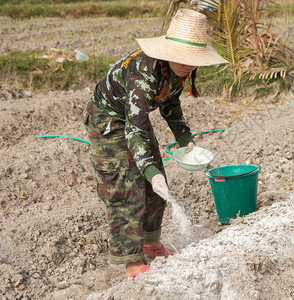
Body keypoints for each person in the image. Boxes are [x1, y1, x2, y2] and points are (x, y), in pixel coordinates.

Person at [82, 9, 228, 279]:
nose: (187, 65)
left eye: (192, 60)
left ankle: (150, 242)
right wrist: (148, 170)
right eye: (182, 59)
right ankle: (132, 262)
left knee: (156, 182)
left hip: (133, 116)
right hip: (108, 119)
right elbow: (134, 129)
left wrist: (185, 140)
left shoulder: (177, 71)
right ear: (169, 51)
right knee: (126, 186)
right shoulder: (143, 76)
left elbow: (170, 103)